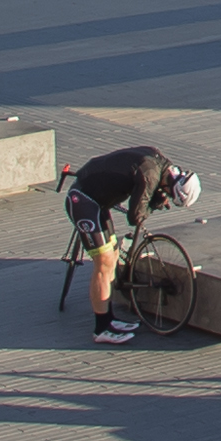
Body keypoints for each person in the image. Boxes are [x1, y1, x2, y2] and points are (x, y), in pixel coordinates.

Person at [63, 144, 201, 340]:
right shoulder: (151, 175)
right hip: (83, 199)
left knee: (113, 255)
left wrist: (156, 196)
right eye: (170, 194)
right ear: (174, 186)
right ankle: (101, 329)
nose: (167, 196)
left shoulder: (161, 165)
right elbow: (135, 216)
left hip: (99, 201)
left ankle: (108, 317)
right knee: (104, 262)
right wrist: (153, 203)